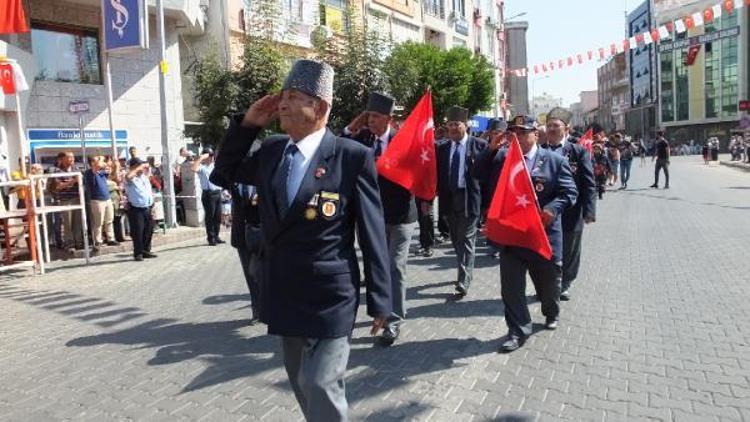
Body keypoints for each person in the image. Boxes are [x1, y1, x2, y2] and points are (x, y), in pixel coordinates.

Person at [210, 59, 391, 421]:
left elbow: (372, 231)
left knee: (321, 381)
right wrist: (247, 125)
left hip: (331, 293)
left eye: (293, 97)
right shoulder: (274, 150)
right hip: (284, 289)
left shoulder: (351, 156)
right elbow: (223, 173)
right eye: (283, 96)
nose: (282, 104)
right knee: (301, 383)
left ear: (319, 107)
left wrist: (381, 300)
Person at [475, 114, 577, 353]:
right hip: (513, 237)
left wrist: (552, 209)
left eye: (523, 132)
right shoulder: (502, 159)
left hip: (543, 235)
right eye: (514, 132)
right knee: (511, 287)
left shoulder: (554, 160)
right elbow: (479, 176)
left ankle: (551, 311)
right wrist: (490, 150)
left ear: (535, 134)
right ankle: (518, 330)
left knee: (549, 283)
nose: (518, 137)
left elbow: (569, 192)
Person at [342, 91, 416, 346]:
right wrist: (355, 123)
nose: (370, 120)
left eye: (375, 116)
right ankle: (381, 310)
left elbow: (415, 173)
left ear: (389, 118)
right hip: (371, 217)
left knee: (394, 267)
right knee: (375, 267)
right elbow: (338, 145)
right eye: (369, 115)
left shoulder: (403, 141)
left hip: (401, 215)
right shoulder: (361, 138)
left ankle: (393, 321)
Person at [543, 108, 596, 302]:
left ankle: (565, 282)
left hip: (572, 211)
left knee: (570, 250)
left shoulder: (578, 152)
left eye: (555, 126)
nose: (551, 129)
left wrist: (589, 210)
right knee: (548, 250)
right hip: (546, 211)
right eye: (548, 125)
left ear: (567, 129)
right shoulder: (540, 150)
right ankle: (549, 283)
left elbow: (589, 183)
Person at [436, 106, 487, 298]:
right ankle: (463, 268)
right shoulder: (442, 148)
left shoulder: (479, 145)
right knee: (456, 239)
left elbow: (488, 176)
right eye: (449, 125)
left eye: (456, 124)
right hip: (449, 199)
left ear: (465, 125)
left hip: (469, 199)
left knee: (466, 238)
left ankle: (464, 279)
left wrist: (487, 204)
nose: (453, 128)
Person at [47, 152, 83, 251]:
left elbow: (81, 182)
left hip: (77, 198)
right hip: (65, 200)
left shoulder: (76, 169)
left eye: (73, 157)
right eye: (69, 157)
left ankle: (78, 242)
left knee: (77, 222)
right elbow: (58, 186)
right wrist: (72, 181)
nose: (72, 159)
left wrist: (75, 181)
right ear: (62, 159)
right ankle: (69, 244)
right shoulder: (57, 171)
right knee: (67, 223)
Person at [83, 155, 118, 251]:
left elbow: (112, 174)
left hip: (107, 199)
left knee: (109, 220)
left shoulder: (101, 172)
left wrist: (115, 166)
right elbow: (97, 167)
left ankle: (111, 238)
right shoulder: (88, 172)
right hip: (97, 200)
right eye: (96, 160)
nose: (100, 162)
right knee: (98, 222)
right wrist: (101, 159)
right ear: (91, 163)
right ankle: (98, 241)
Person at [125, 158, 157, 261]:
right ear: (133, 167)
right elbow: (128, 176)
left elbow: (148, 191)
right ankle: (138, 252)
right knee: (138, 232)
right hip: (136, 208)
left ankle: (145, 250)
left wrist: (152, 204)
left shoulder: (144, 177)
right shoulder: (131, 178)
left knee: (149, 230)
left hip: (147, 207)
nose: (142, 168)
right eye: (139, 165)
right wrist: (138, 167)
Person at [191, 148, 224, 245]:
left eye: (212, 155)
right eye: (210, 155)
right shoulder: (202, 167)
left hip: (217, 193)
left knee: (217, 217)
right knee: (210, 217)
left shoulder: (215, 166)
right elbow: (193, 168)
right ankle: (211, 238)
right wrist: (201, 158)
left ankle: (217, 236)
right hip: (208, 194)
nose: (212, 157)